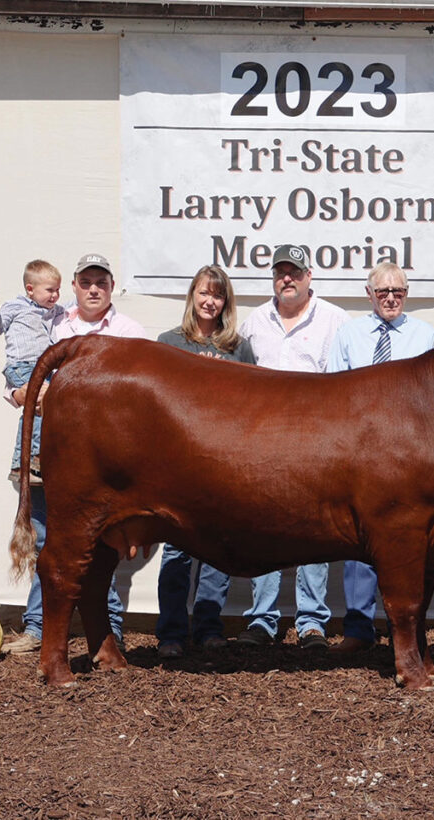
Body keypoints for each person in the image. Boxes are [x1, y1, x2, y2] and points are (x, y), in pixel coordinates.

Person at [2, 253, 149, 655]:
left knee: (101, 540)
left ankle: (109, 629)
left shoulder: (129, 331)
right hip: (52, 445)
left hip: (106, 455)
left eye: (100, 282)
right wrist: (18, 393)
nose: (93, 289)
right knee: (47, 537)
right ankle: (38, 626)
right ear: (74, 287)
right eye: (86, 282)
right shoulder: (54, 322)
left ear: (112, 286)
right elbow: (19, 363)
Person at [236, 243, 348, 649]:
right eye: (281, 271)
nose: (288, 278)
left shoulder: (335, 320)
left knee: (315, 529)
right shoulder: (254, 321)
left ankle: (312, 622)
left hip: (315, 438)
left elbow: (344, 381)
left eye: (295, 272)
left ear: (308, 277)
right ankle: (262, 620)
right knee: (264, 525)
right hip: (262, 440)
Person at [324, 262, 434, 654]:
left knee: (407, 542)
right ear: (368, 294)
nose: (391, 298)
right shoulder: (349, 334)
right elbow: (333, 392)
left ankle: (406, 632)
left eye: (399, 292)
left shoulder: (425, 335)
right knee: (359, 538)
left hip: (409, 454)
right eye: (383, 291)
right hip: (360, 452)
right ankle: (357, 628)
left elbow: (433, 398)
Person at [154, 265, 256, 659]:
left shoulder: (239, 347)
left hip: (221, 464)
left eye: (218, 295)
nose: (210, 301)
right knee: (177, 550)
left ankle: (210, 628)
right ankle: (171, 632)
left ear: (225, 302)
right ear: (192, 296)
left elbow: (250, 406)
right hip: (176, 465)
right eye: (204, 293)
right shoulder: (168, 343)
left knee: (215, 549)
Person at [0, 259, 65, 484]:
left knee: (36, 409)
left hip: (43, 368)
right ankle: (34, 457)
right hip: (22, 366)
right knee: (42, 402)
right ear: (30, 289)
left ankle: (20, 465)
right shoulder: (15, 306)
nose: (55, 296)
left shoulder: (54, 311)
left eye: (58, 290)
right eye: (50, 290)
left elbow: (71, 309)